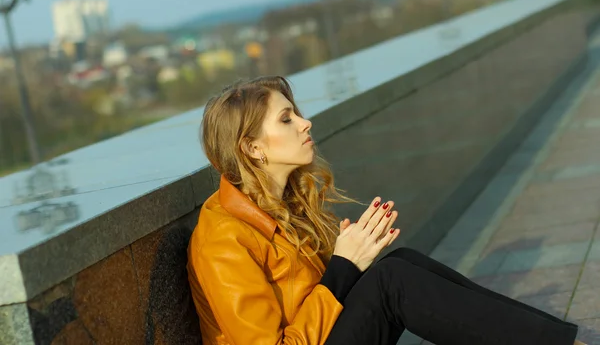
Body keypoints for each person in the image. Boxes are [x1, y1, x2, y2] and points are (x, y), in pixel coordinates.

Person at [187, 76, 585, 345]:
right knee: (391, 280)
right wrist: (344, 267)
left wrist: (352, 261)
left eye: (297, 113)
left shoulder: (279, 203)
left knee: (402, 262)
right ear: (252, 148)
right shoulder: (223, 238)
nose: (306, 124)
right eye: (287, 119)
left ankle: (560, 339)